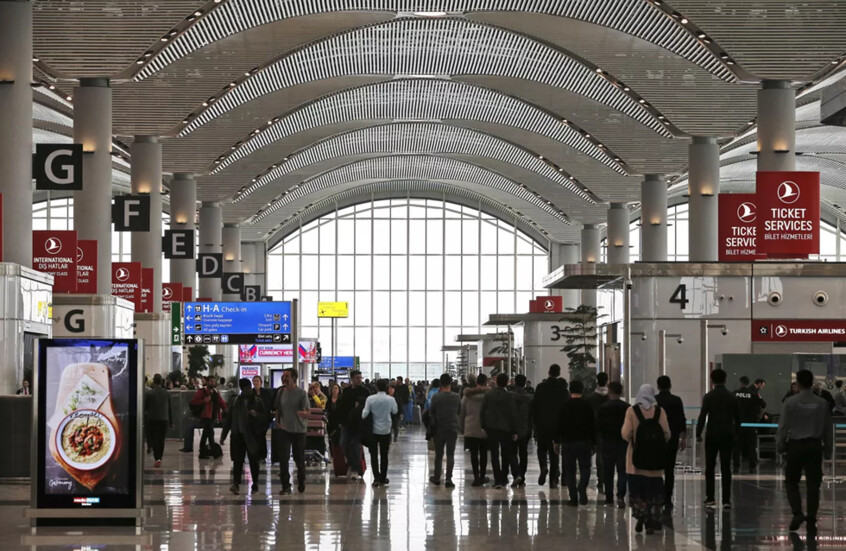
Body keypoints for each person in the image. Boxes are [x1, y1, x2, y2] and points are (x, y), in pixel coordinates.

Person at [777, 369, 833, 533]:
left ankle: (797, 513)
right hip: (814, 446)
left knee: (791, 481)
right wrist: (828, 450)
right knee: (813, 484)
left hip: (795, 446)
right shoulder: (822, 403)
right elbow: (828, 429)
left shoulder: (790, 402)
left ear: (798, 383)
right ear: (812, 382)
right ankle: (811, 519)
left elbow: (783, 426)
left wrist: (780, 445)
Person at [622, 384, 670, 535]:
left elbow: (626, 433)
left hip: (635, 463)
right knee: (654, 493)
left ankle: (641, 515)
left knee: (638, 492)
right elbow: (667, 434)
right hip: (655, 463)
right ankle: (651, 521)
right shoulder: (660, 412)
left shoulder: (631, 411)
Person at [696, 368, 740, 510]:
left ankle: (710, 497)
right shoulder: (732, 397)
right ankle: (726, 500)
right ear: (725, 379)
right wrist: (736, 433)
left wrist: (698, 433)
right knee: (726, 466)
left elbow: (703, 416)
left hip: (712, 434)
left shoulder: (709, 396)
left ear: (712, 380)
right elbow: (738, 418)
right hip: (728, 434)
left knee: (710, 466)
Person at [221, 378, 268, 495]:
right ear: (242, 389)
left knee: (254, 461)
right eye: (246, 388)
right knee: (237, 461)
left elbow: (265, 417)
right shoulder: (235, 401)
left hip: (252, 436)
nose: (249, 390)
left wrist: (256, 415)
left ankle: (255, 484)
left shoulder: (257, 401)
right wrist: (223, 435)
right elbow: (229, 419)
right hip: (238, 435)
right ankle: (236, 484)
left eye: (249, 387)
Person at [556, 380, 595, 506]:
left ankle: (573, 498)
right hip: (584, 441)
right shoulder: (587, 405)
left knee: (570, 471)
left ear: (570, 390)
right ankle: (582, 486)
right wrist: (594, 442)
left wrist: (556, 441)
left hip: (568, 442)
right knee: (585, 467)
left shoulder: (564, 405)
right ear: (582, 390)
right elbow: (592, 425)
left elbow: (559, 425)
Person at [531, 364, 569, 489]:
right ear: (559, 373)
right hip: (557, 426)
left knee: (541, 448)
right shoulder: (563, 389)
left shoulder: (540, 387)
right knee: (554, 453)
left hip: (542, 424)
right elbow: (565, 408)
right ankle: (553, 480)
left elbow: (535, 406)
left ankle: (543, 466)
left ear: (549, 372)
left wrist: (535, 424)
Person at [480, 372, 521, 489]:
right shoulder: (509, 396)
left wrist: (483, 426)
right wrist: (514, 431)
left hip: (492, 428)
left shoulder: (488, 395)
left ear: (496, 381)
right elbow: (512, 414)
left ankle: (497, 480)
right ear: (507, 382)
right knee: (505, 453)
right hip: (506, 429)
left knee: (494, 455)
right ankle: (504, 477)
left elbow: (482, 411)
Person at [275, 368, 310, 495]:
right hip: (284, 429)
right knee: (283, 458)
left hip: (298, 430)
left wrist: (303, 413)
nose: (284, 378)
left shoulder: (301, 393)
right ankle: (285, 485)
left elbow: (308, 412)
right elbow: (278, 409)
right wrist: (278, 422)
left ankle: (301, 480)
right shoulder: (280, 392)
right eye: (283, 376)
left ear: (294, 378)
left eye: (287, 376)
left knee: (298, 458)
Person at [655, 375, 687, 511]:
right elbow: (682, 419)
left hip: (657, 439)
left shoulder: (654, 401)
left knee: (656, 469)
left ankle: (658, 495)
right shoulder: (676, 400)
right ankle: (668, 498)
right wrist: (683, 438)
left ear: (658, 386)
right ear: (670, 386)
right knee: (669, 469)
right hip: (672, 438)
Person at [597, 381, 629, 508]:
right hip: (623, 443)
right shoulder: (627, 407)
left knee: (608, 471)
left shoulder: (603, 407)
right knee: (622, 471)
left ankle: (609, 498)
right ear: (621, 391)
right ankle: (620, 495)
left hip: (607, 443)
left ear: (609, 391)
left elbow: (598, 427)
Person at [428, 373, 462, 488]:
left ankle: (437, 477)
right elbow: (459, 411)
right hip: (452, 427)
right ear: (450, 383)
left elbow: (431, 412)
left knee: (439, 454)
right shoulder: (457, 397)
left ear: (441, 383)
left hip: (439, 428)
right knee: (450, 454)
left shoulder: (436, 397)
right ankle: (448, 479)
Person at [362, 379, 398, 487]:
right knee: (384, 455)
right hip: (386, 430)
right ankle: (383, 478)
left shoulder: (370, 399)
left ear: (376, 387)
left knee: (373, 455)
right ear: (387, 387)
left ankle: (376, 478)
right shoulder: (390, 399)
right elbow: (395, 411)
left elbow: (364, 414)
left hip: (373, 430)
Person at [337, 370, 371, 480]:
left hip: (359, 424)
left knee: (356, 446)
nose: (359, 380)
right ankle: (352, 463)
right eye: (357, 378)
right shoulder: (346, 391)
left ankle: (355, 469)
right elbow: (342, 406)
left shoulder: (365, 391)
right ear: (351, 379)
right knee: (343, 444)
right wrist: (341, 421)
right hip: (346, 423)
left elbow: (368, 406)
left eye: (360, 377)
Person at [460, 373, 490, 486]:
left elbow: (462, 412)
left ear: (477, 382)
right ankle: (482, 476)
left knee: (473, 454)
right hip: (485, 428)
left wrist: (462, 427)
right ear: (486, 382)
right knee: (484, 453)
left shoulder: (467, 396)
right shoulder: (489, 395)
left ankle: (476, 477)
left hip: (470, 428)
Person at [189, 376, 228, 458]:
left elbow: (221, 402)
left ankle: (202, 452)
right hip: (205, 416)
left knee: (206, 433)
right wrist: (204, 400)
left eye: (214, 381)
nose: (212, 383)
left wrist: (226, 409)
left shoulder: (216, 392)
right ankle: (214, 452)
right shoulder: (202, 391)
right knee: (210, 433)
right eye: (211, 381)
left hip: (212, 416)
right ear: (207, 382)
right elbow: (193, 402)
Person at [733, 375, 765, 473]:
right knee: (751, 445)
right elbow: (763, 404)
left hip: (737, 423)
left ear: (740, 382)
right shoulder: (753, 394)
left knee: (737, 446)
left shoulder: (735, 393)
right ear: (748, 383)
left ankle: (736, 466)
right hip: (750, 423)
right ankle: (752, 466)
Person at [586, 372, 610, 495]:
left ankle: (601, 479)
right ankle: (606, 478)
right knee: (608, 455)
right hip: (609, 430)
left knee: (599, 455)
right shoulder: (610, 397)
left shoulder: (590, 398)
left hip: (595, 430)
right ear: (607, 381)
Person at [144, 374, 173, 468]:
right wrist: (171, 422)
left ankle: (157, 458)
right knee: (161, 439)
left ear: (153, 381)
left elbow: (145, 407)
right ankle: (160, 457)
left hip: (152, 419)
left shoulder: (149, 393)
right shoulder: (166, 393)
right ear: (161, 381)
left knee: (154, 439)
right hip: (164, 419)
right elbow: (170, 408)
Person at [512, 374, 532, 480]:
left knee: (512, 453)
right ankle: (522, 474)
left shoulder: (510, 396)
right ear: (525, 383)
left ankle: (516, 474)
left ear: (515, 382)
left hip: (512, 428)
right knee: (523, 453)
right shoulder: (529, 398)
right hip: (525, 428)